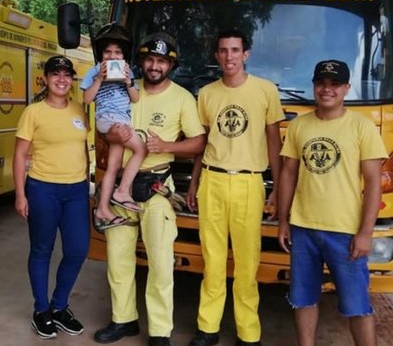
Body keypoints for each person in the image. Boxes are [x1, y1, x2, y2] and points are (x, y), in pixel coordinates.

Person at [93, 32, 206, 346]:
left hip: (156, 186)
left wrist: (166, 144)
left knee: (160, 263)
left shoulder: (183, 97)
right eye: (150, 59)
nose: (155, 66)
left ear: (170, 64)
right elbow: (101, 119)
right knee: (118, 258)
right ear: (141, 62)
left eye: (162, 61)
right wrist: (109, 134)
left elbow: (199, 142)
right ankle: (123, 320)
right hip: (119, 188)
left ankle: (159, 332)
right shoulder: (123, 88)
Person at [185, 29, 284, 346]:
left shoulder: (265, 91)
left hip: (248, 181)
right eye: (223, 50)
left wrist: (278, 188)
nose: (229, 56)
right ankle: (207, 328)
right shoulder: (207, 93)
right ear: (216, 55)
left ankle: (248, 332)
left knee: (246, 263)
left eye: (235, 50)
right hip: (212, 180)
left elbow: (274, 142)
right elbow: (202, 144)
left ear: (246, 54)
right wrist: (195, 181)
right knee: (212, 260)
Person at [277, 60, 387, 346]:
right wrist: (284, 221)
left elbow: (374, 182)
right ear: (313, 86)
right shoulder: (299, 125)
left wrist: (365, 232)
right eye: (321, 83)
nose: (327, 89)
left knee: (357, 305)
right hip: (303, 229)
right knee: (302, 299)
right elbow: (288, 173)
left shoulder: (362, 127)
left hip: (346, 231)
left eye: (334, 84)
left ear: (346, 88)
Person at [13, 55, 90, 340]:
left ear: (72, 80)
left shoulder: (80, 110)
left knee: (78, 249)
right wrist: (20, 194)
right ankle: (41, 310)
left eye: (66, 75)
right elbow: (20, 155)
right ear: (45, 78)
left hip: (76, 191)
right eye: (55, 74)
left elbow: (84, 150)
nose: (61, 79)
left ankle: (59, 307)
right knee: (42, 250)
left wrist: (87, 180)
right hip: (43, 188)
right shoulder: (33, 112)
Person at [81, 23, 147, 230]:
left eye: (117, 52)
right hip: (108, 118)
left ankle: (102, 208)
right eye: (108, 52)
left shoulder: (128, 72)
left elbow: (135, 98)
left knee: (113, 167)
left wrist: (128, 81)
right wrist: (99, 78)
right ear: (101, 54)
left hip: (123, 119)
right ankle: (123, 191)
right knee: (141, 149)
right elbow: (87, 97)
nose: (112, 56)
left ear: (123, 56)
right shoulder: (94, 71)